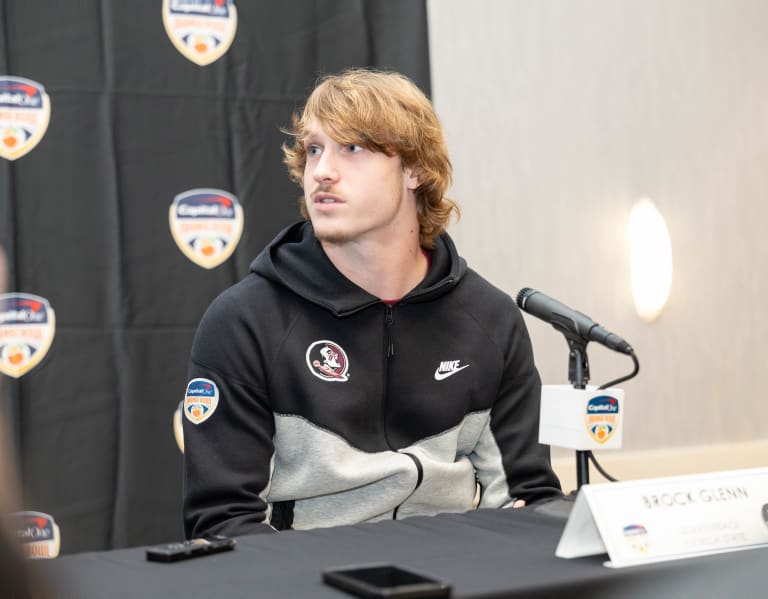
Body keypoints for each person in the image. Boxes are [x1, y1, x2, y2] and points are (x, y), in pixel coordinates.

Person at [182, 68, 562, 538]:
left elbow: (528, 499)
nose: (321, 171)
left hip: (458, 574)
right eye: (314, 149)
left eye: (353, 148)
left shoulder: (489, 318)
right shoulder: (245, 320)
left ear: (415, 170)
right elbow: (223, 525)